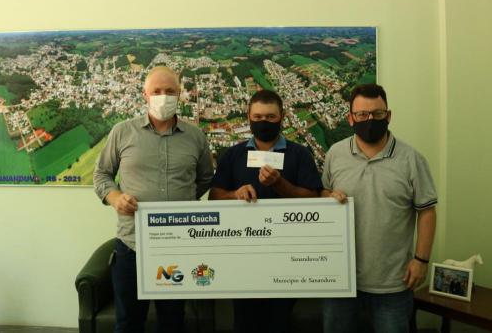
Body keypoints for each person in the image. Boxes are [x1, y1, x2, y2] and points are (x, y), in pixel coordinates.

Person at [93, 66, 213, 333]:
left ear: (180, 94)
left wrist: (181, 201)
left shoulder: (196, 136)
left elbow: (206, 178)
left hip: (177, 246)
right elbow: (101, 174)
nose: (163, 97)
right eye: (156, 91)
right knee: (128, 322)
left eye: (170, 91)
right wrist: (115, 197)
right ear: (145, 95)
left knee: (173, 321)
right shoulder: (122, 132)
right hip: (132, 245)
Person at [321, 83, 437, 333]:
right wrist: (329, 195)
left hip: (392, 284)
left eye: (377, 113)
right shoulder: (335, 154)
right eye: (362, 114)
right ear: (350, 118)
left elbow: (427, 211)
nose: (370, 120)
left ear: (389, 115)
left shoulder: (411, 159)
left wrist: (421, 260)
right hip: (341, 280)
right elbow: (323, 193)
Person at [209, 89, 323, 333]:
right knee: (244, 322)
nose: (264, 122)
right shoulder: (233, 154)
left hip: (287, 259)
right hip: (243, 259)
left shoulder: (299, 154)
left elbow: (313, 199)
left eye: (270, 117)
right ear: (248, 117)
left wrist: (280, 184)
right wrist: (235, 194)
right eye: (258, 117)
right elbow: (214, 196)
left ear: (282, 117)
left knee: (279, 322)